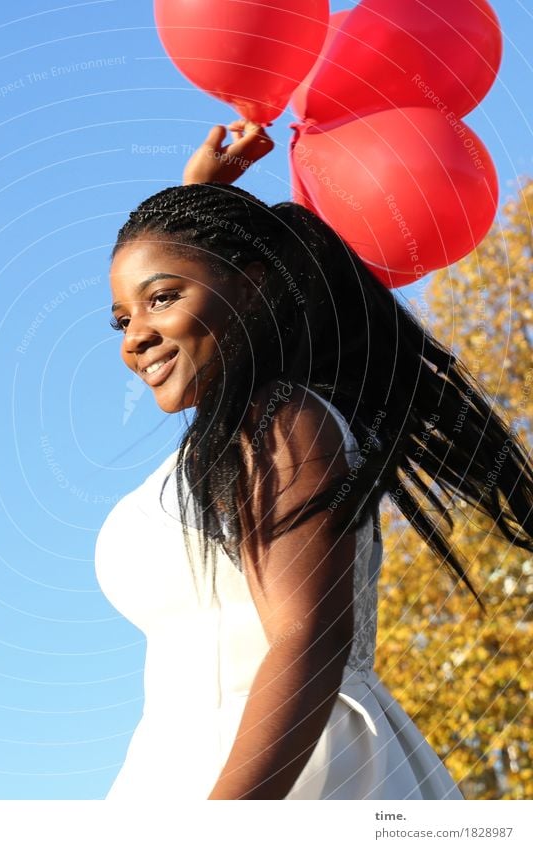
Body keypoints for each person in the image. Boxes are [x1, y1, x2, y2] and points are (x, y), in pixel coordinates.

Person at [94, 122, 533, 800]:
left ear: (252, 284)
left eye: (162, 297)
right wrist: (194, 206)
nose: (136, 336)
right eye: (122, 318)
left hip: (289, 779)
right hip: (184, 771)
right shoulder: (240, 430)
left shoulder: (281, 421)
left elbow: (308, 642)